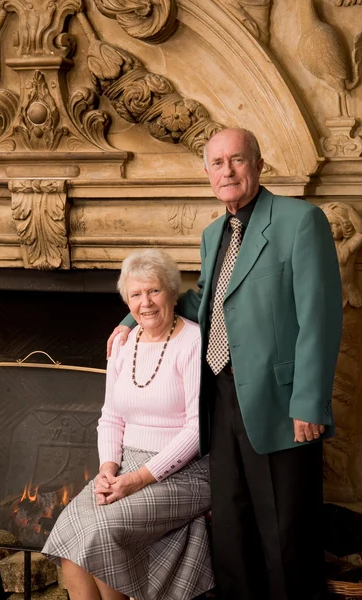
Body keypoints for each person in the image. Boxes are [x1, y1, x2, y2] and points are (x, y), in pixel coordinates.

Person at [108, 128, 343, 600]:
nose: (227, 171)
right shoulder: (215, 233)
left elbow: (321, 316)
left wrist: (309, 403)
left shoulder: (301, 221)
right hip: (217, 397)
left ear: (257, 164)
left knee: (285, 536)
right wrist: (132, 319)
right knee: (233, 530)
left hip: (282, 405)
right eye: (217, 163)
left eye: (236, 160)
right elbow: (204, 302)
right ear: (208, 174)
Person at [42, 248, 214, 600]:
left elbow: (197, 431)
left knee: (100, 531)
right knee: (70, 533)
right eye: (136, 294)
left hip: (186, 472)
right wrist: (107, 469)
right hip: (125, 465)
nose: (146, 303)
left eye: (154, 291)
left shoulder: (193, 342)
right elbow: (111, 416)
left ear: (171, 292)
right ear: (126, 301)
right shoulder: (123, 343)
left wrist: (135, 480)